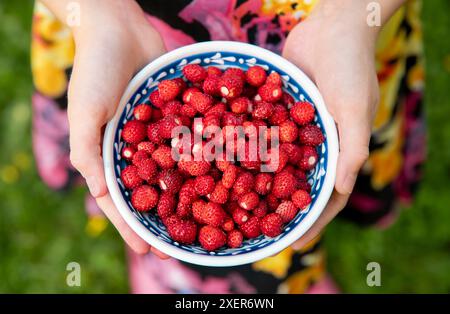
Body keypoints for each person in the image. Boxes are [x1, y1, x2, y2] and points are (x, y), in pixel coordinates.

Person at [32, 0, 425, 293]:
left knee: (345, 147)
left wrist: (352, 19)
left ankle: (287, 272)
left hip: (340, 30)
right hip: (119, 20)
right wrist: (99, 18)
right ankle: (175, 273)